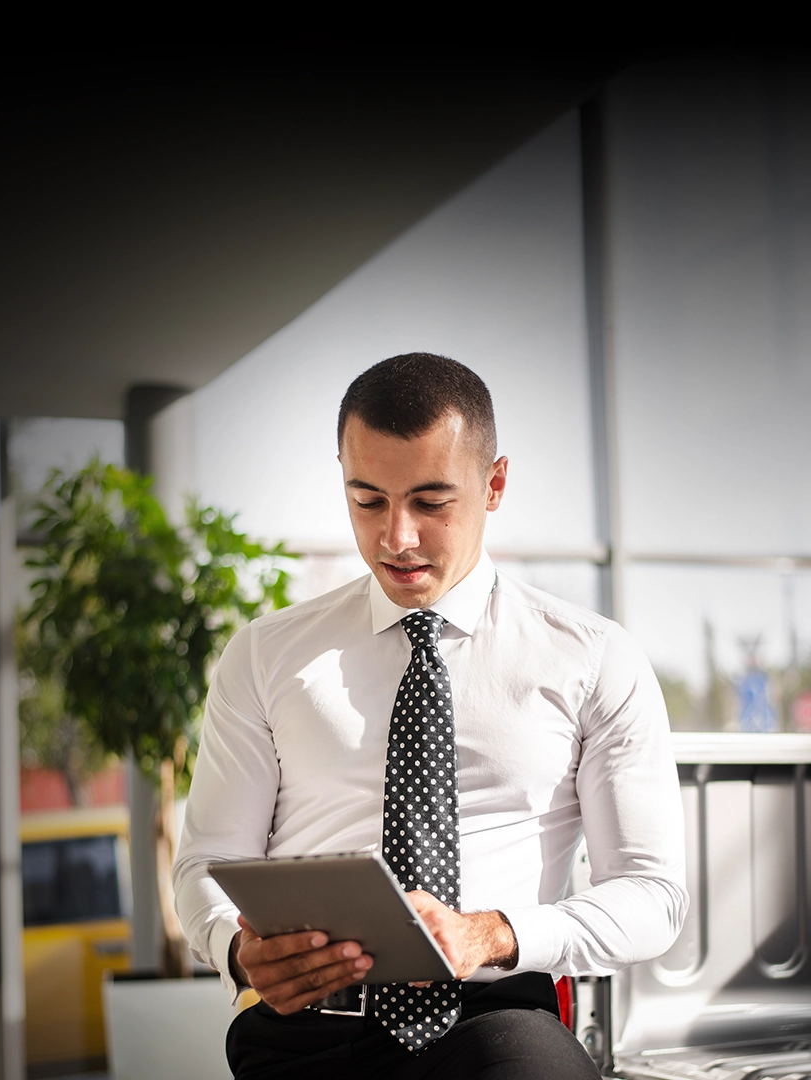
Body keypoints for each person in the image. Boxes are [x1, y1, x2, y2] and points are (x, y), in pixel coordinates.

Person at [171, 353, 686, 1079]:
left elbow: (653, 895)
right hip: (304, 1031)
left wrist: (492, 934)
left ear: (494, 484)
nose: (397, 538)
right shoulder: (265, 656)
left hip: (495, 1019)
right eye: (367, 501)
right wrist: (236, 947)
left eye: (431, 502)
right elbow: (208, 863)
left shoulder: (593, 659)